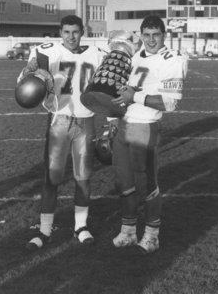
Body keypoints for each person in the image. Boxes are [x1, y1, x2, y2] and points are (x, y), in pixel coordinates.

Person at [18, 15, 106, 250]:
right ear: (60, 32)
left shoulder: (97, 54)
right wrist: (30, 73)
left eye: (75, 32)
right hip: (59, 120)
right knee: (52, 177)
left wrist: (113, 119)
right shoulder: (46, 52)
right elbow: (25, 83)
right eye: (66, 32)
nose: (71, 36)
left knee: (83, 177)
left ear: (83, 31)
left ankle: (81, 226)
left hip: (85, 120)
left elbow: (109, 90)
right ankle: (45, 229)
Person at [111, 15, 188, 254]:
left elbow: (170, 104)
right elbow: (119, 90)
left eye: (156, 34)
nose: (151, 39)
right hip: (124, 124)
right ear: (141, 35)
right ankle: (128, 230)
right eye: (147, 35)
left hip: (145, 126)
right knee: (123, 182)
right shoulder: (134, 56)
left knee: (146, 185)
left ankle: (152, 235)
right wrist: (112, 118)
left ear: (164, 35)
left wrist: (134, 97)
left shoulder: (173, 59)